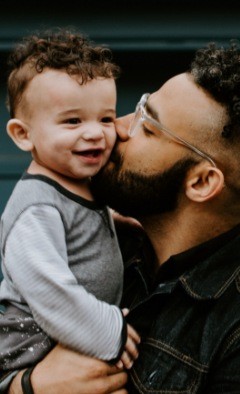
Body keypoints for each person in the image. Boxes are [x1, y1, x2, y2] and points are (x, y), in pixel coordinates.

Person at [4, 39, 240, 393]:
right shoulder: (89, 233)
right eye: (139, 108)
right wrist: (27, 387)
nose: (115, 128)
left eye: (147, 127)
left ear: (202, 181)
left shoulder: (230, 330)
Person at [0, 27, 140, 383]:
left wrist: (114, 221)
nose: (95, 132)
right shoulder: (36, 209)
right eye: (73, 121)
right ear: (23, 134)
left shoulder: (75, 183)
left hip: (70, 335)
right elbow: (51, 290)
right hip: (33, 345)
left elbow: (77, 223)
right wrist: (111, 331)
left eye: (105, 118)